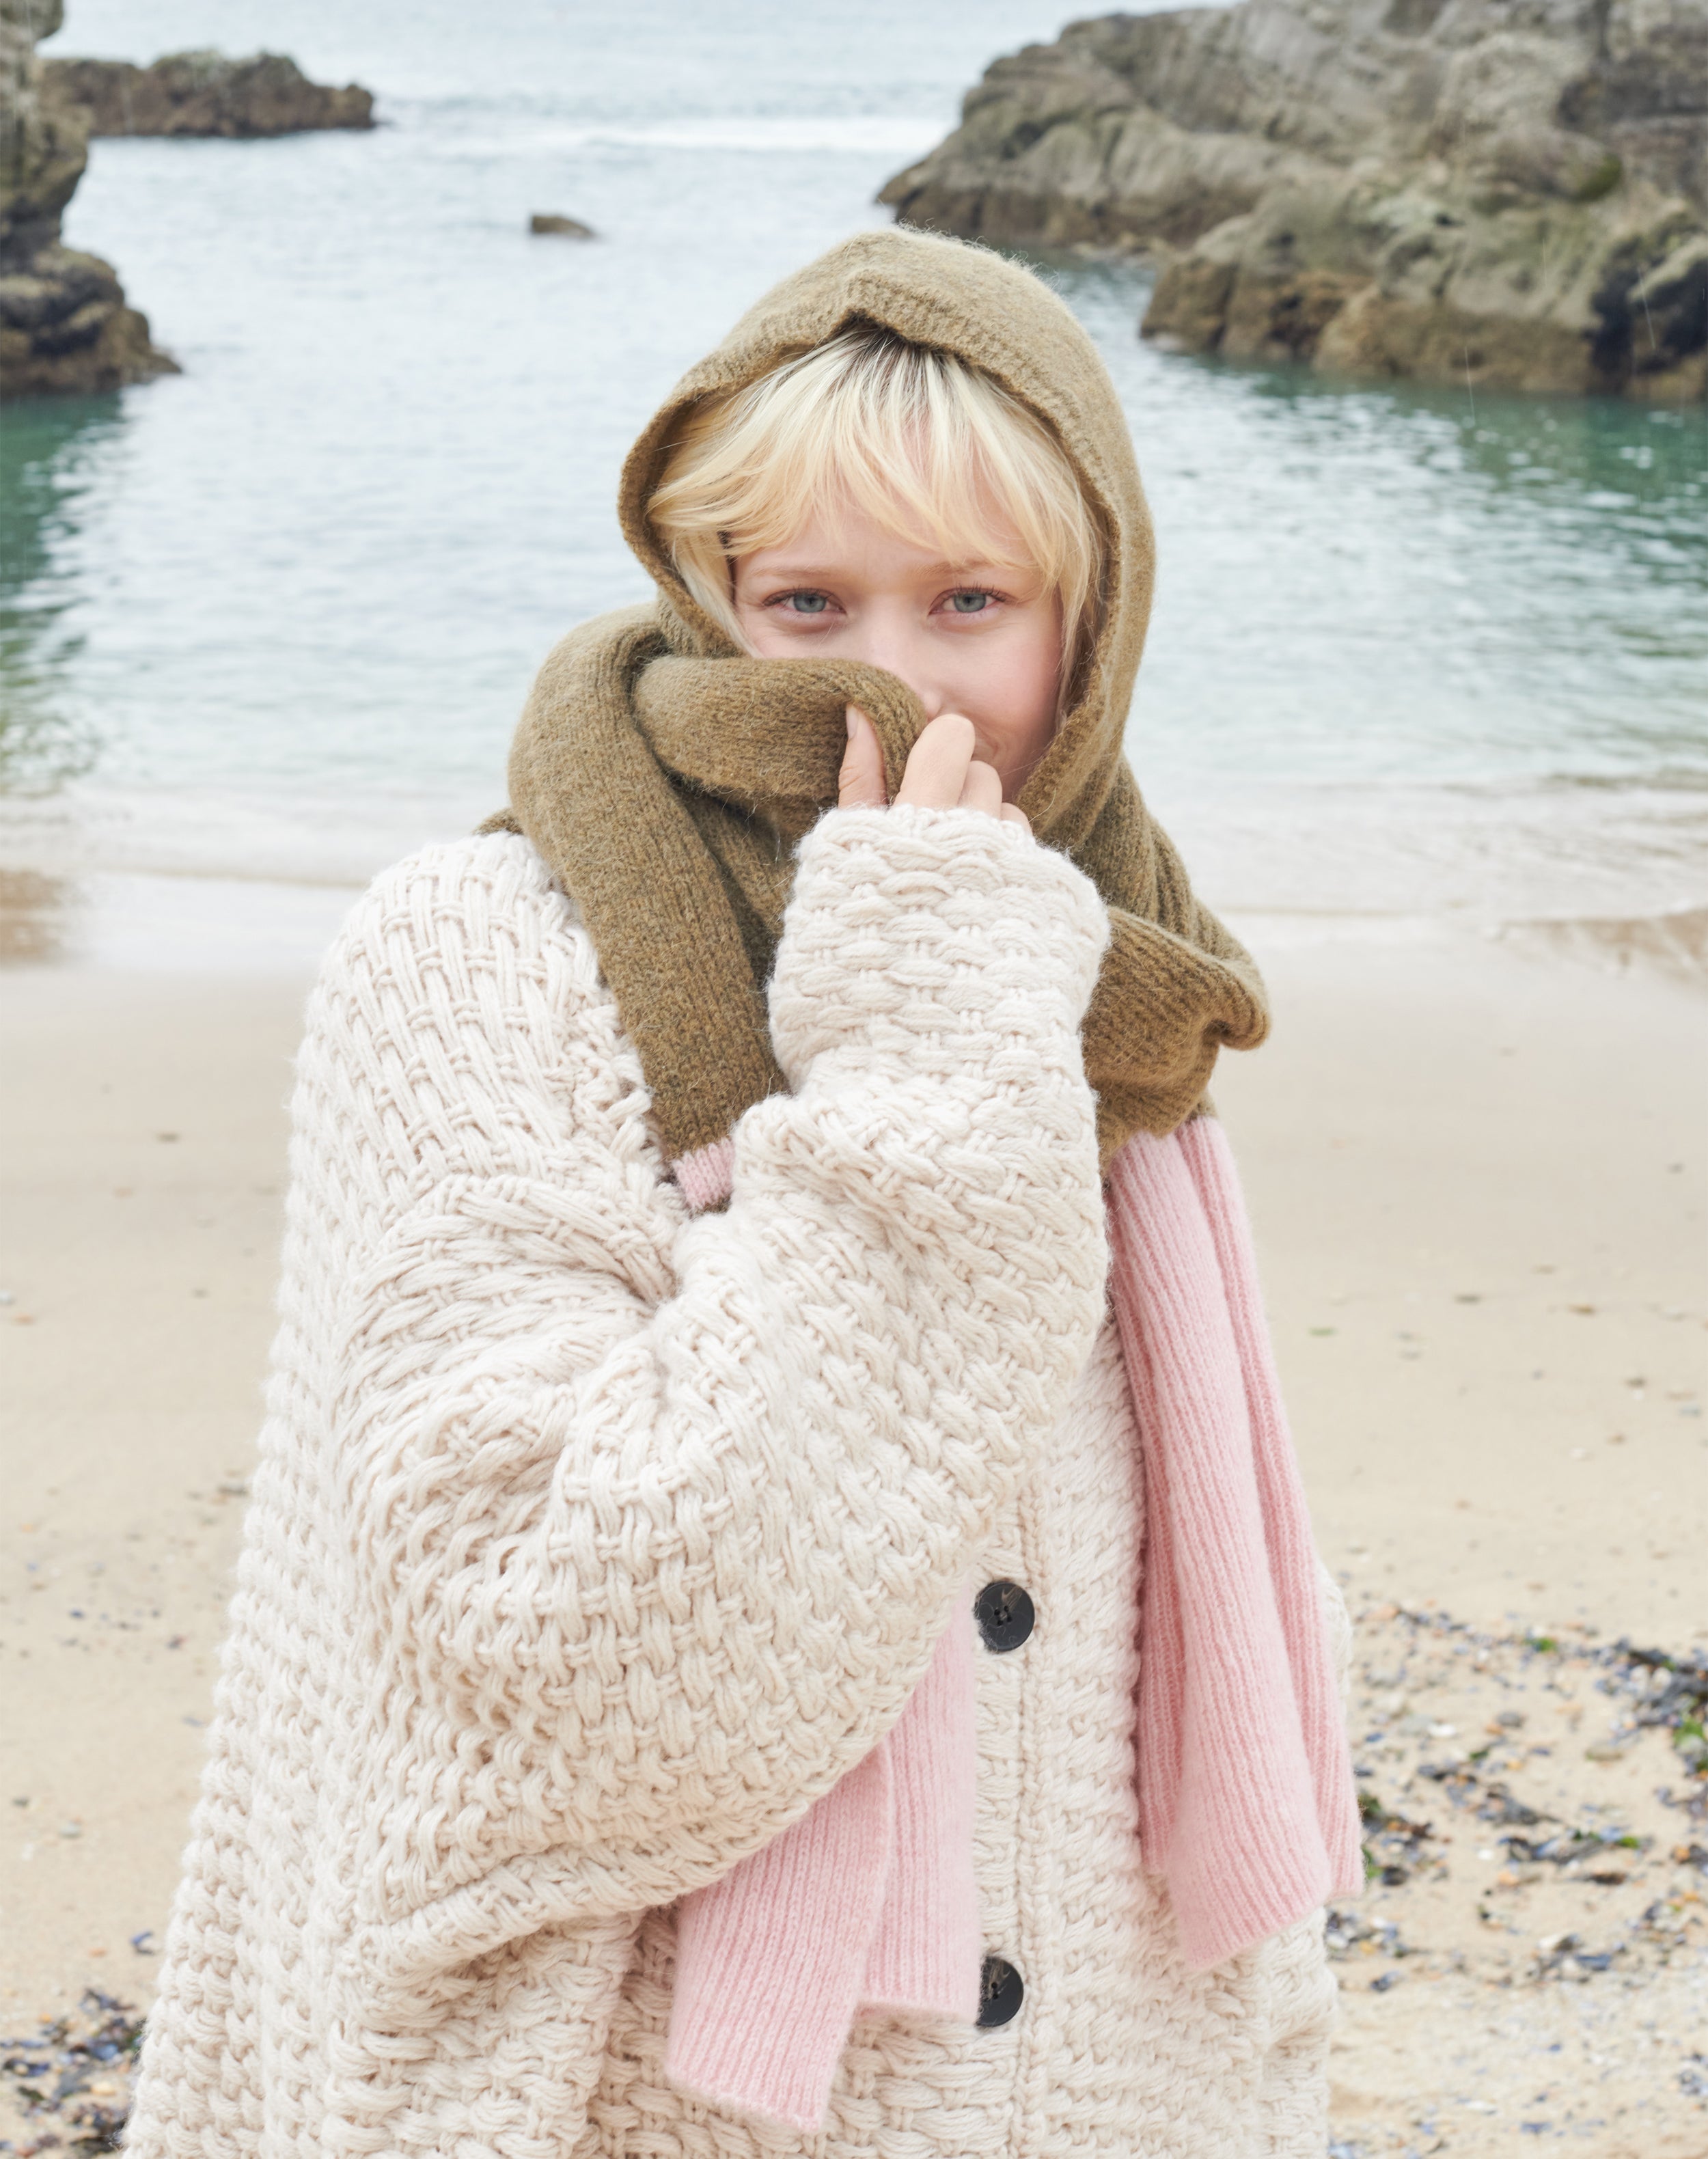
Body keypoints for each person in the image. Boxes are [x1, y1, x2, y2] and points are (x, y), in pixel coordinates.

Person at [126, 228, 1360, 2159]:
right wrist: (919, 1034)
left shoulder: (1102, 982)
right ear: (708, 595)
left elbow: (1199, 1658)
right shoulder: (483, 957)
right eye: (807, 602)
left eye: (971, 600)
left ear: (1092, 621)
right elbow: (574, 1654)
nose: (890, 676)